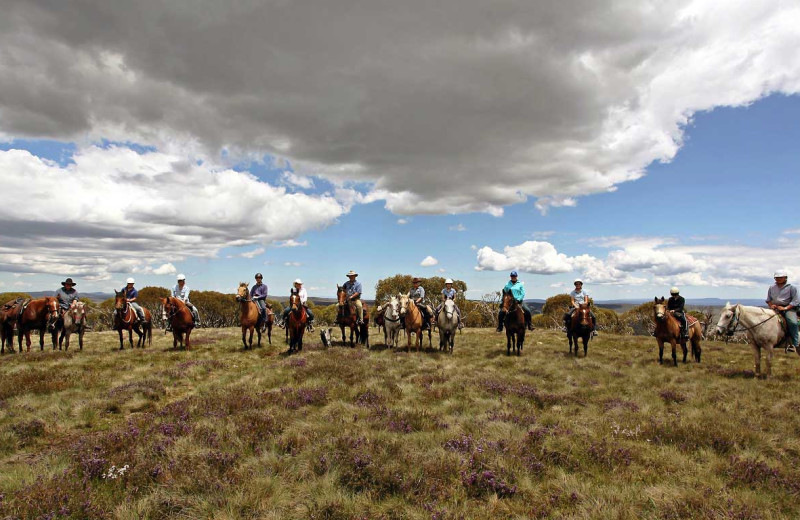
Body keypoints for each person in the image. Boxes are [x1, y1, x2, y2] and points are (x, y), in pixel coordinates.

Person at [766, 270, 799, 353]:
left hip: (789, 308)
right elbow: (768, 300)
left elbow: (795, 301)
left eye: (780, 277)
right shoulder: (772, 287)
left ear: (785, 278)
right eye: (776, 278)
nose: (778, 279)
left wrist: (785, 308)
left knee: (792, 322)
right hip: (775, 308)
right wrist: (771, 305)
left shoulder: (792, 287)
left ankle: (795, 344)